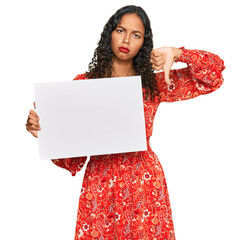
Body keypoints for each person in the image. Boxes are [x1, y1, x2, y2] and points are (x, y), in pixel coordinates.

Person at [26, 5, 225, 240]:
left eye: (136, 35)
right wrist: (44, 131)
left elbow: (213, 77)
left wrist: (177, 52)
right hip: (100, 186)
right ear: (109, 32)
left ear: (144, 43)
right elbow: (71, 160)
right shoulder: (83, 85)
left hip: (143, 184)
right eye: (121, 30)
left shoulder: (152, 84)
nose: (127, 39)